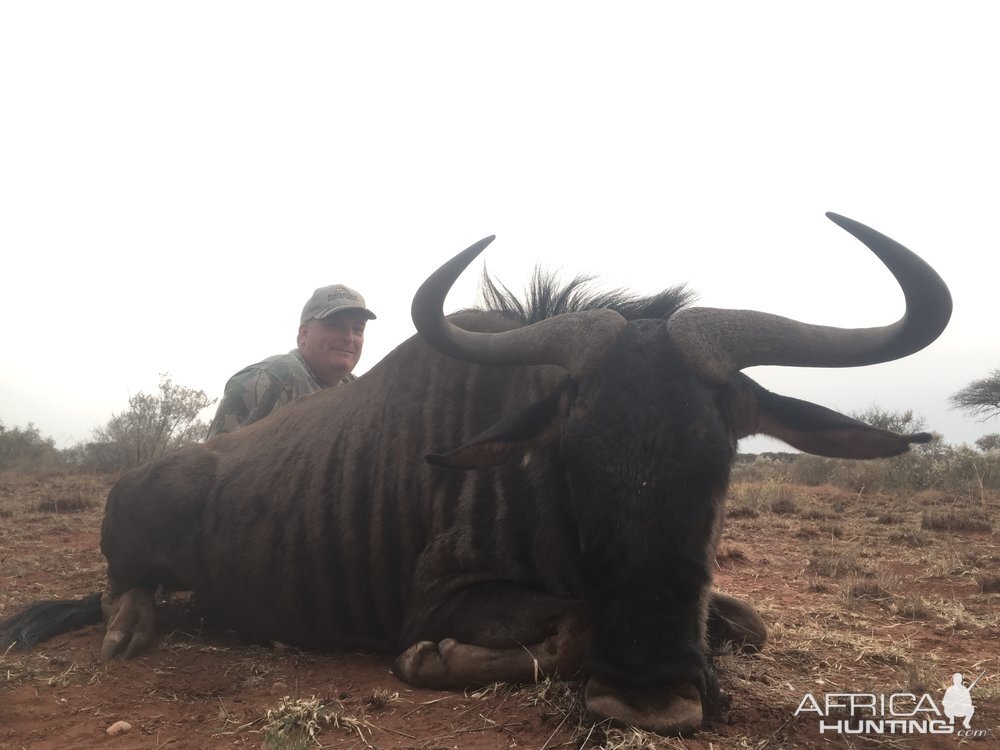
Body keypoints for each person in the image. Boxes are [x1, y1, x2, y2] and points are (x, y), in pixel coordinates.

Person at [207, 284, 375, 438]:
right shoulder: (265, 382)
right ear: (304, 334)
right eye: (334, 325)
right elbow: (215, 464)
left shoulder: (358, 390)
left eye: (358, 329)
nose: (348, 337)